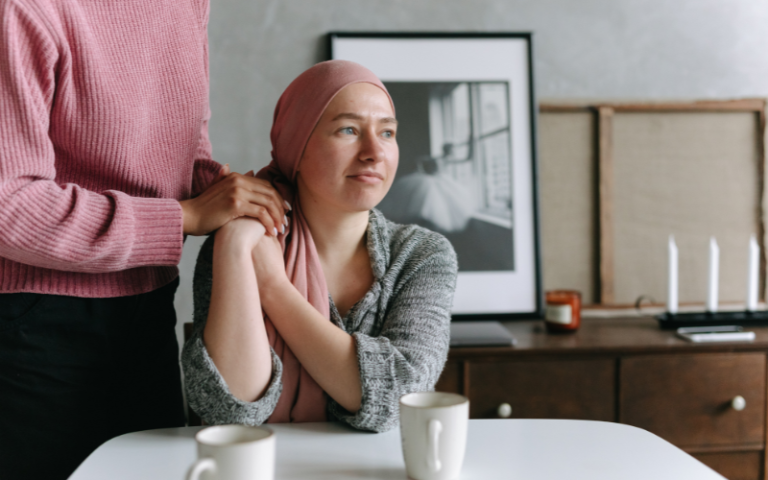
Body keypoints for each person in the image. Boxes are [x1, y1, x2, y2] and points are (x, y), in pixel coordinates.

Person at [0, 1, 288, 478]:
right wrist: (185, 216)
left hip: (150, 304)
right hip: (37, 324)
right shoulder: (28, 9)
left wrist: (241, 195)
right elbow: (10, 206)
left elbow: (184, 154)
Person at [182, 60, 459, 432]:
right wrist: (232, 242)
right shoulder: (240, 241)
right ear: (296, 145)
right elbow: (229, 412)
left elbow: (398, 399)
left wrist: (273, 287)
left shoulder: (422, 255)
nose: (374, 152)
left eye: (388, 133)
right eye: (348, 130)